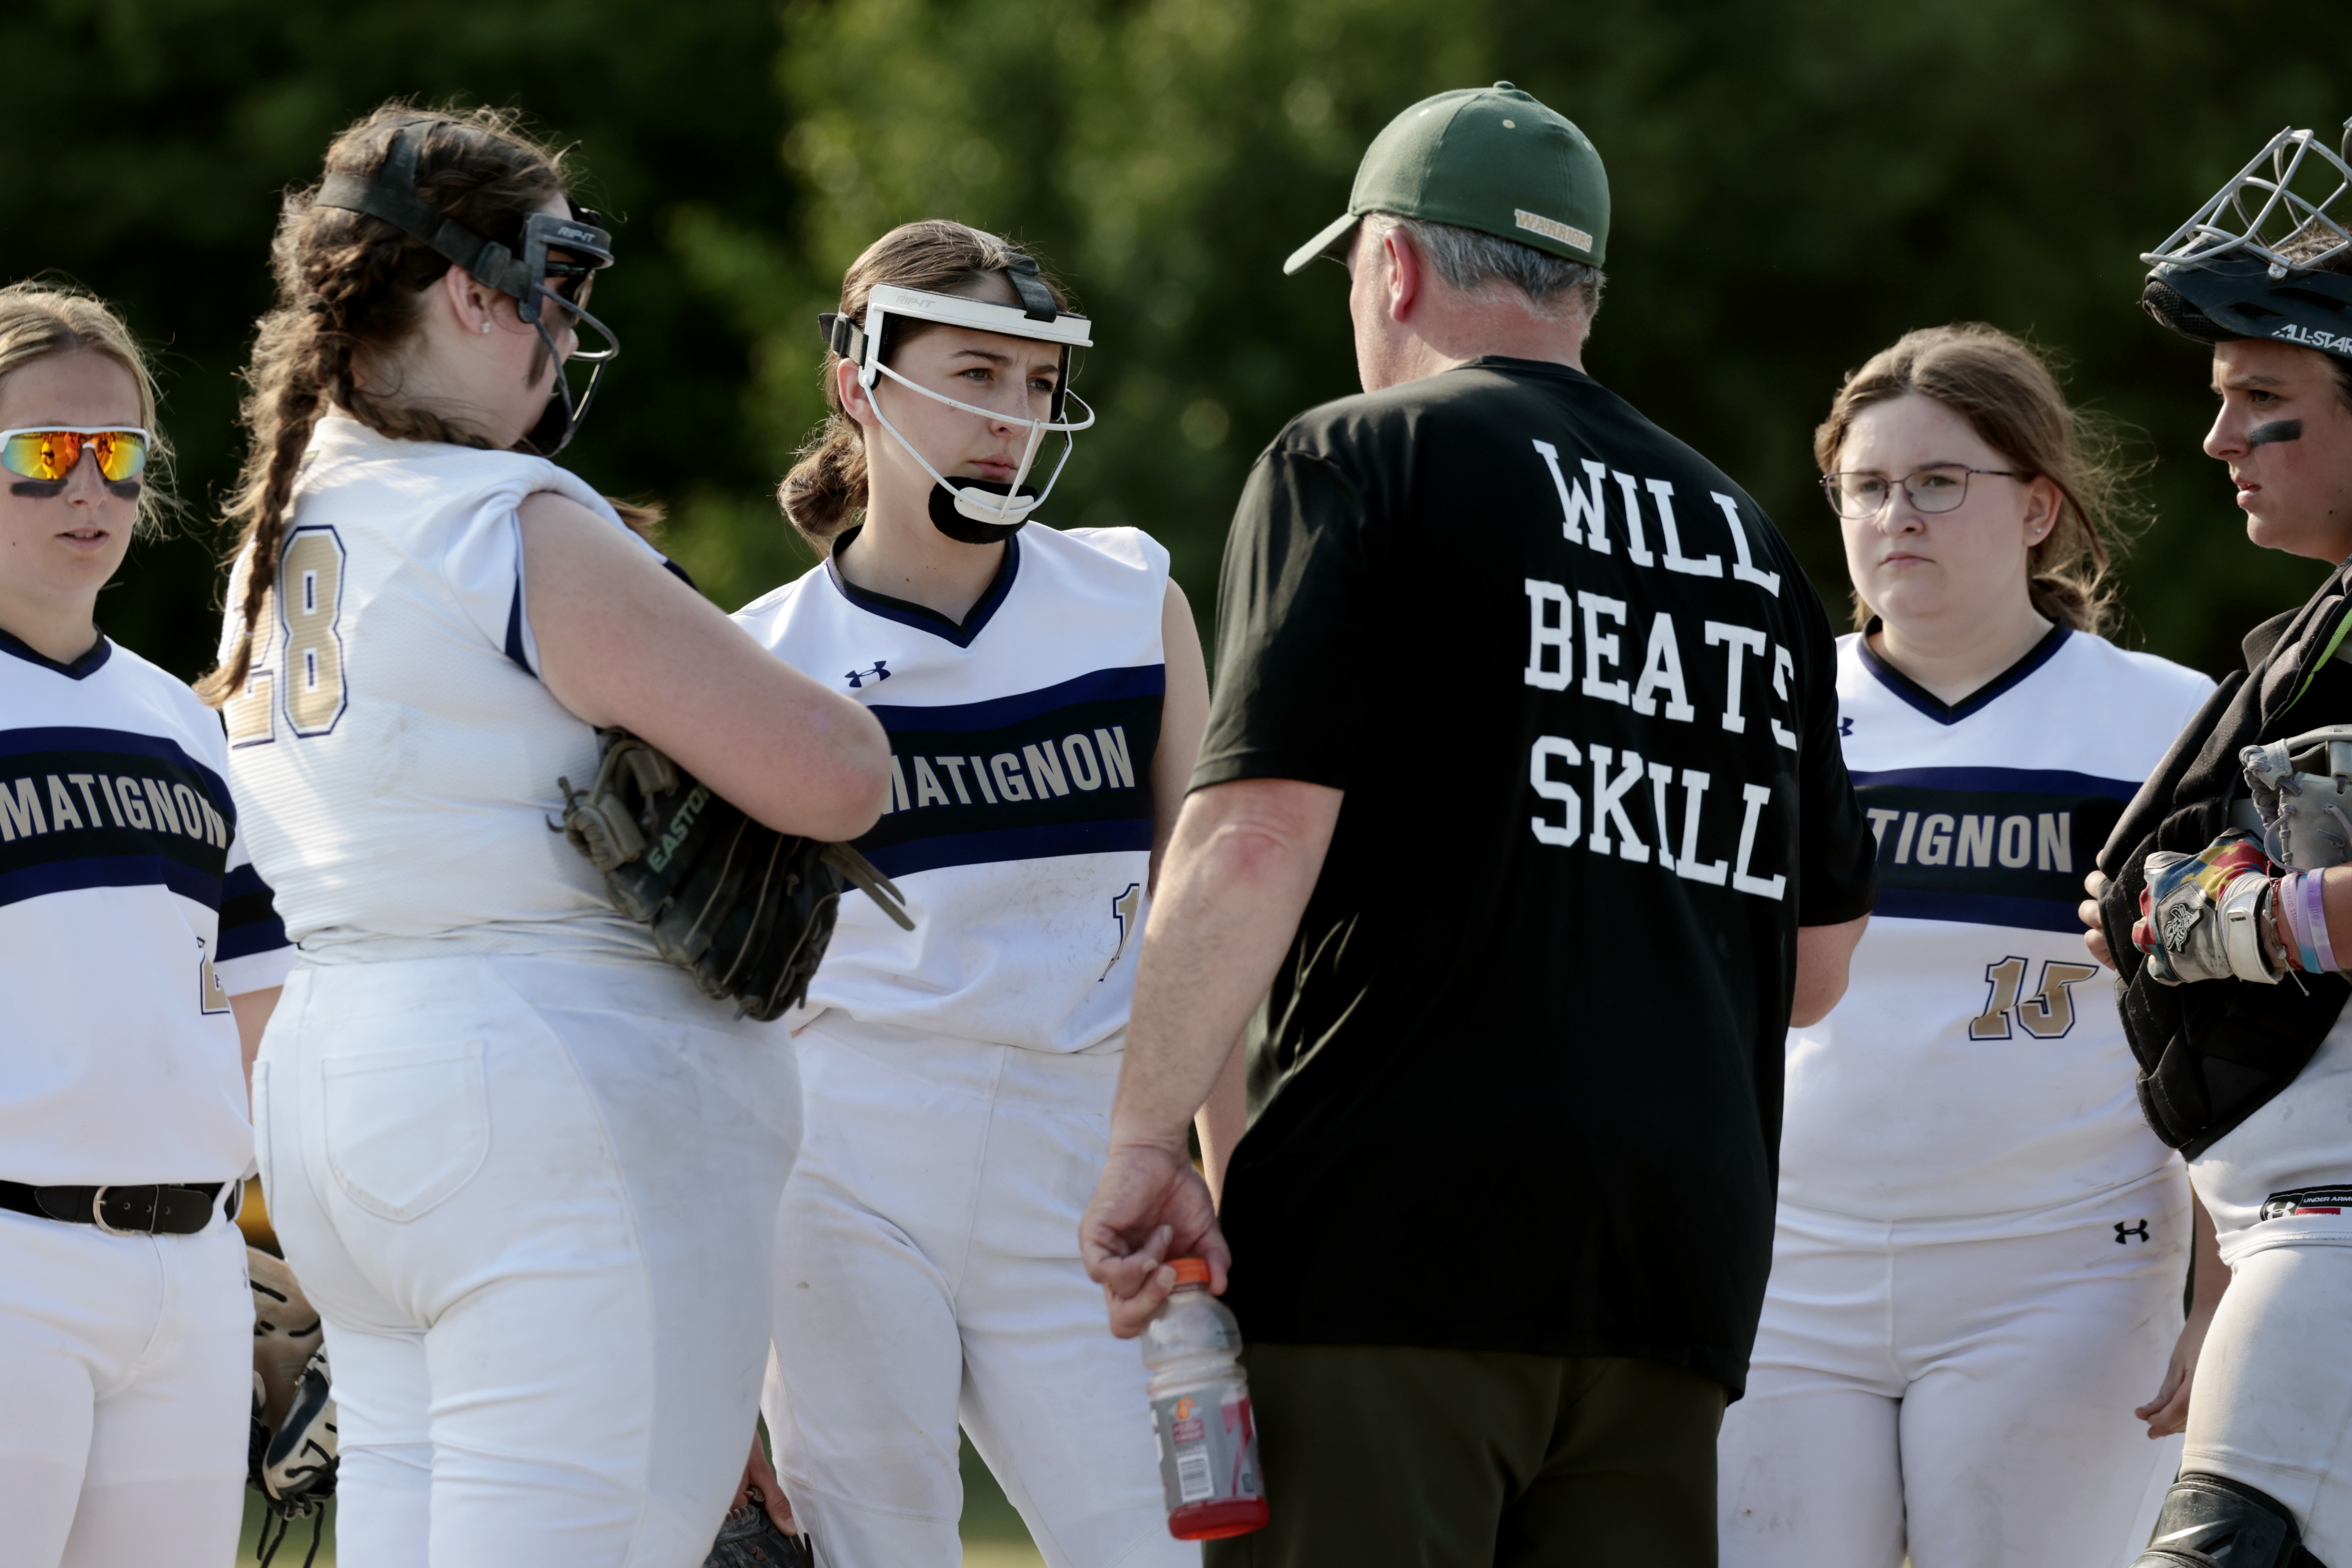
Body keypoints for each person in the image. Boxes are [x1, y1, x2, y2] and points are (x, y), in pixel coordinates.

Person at [1076, 83, 1880, 1567]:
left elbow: (1253, 834)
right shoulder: (1750, 546)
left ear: (1390, 267)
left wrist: (1144, 1135)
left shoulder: (1360, 457)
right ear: (1581, 287)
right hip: (1671, 1269)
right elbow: (1815, 962)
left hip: (1398, 1240)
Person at [202, 105, 890, 1568]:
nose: (567, 336)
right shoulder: (500, 510)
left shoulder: (285, 527)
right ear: (468, 285)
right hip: (548, 1087)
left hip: (351, 1087)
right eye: (554, 292)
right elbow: (837, 773)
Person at [732, 219, 1210, 1568]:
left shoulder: (1129, 592)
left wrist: (1233, 1180)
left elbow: (1207, 916)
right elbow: (709, 1017)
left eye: (1035, 385)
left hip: (1090, 1148)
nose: (1011, 418)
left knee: (1168, 1547)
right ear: (859, 379)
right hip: (840, 1158)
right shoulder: (758, 659)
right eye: (974, 374)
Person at [1713, 323, 2218, 1568]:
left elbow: (2239, 1032)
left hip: (2057, 1276)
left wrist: (2220, 1295)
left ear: (2038, 504)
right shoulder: (1753, 710)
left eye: (1940, 482)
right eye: (1866, 487)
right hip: (1783, 1270)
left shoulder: (2163, 721)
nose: (1898, 515)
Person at [2084, 116, 2352, 1568]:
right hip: (2293, 1231)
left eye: (2264, 395)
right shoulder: (2317, 623)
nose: (2217, 437)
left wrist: (2224, 918)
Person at [0, 282, 297, 1565]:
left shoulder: (183, 722)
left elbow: (259, 999)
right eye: (44, 454)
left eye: (117, 455)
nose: (90, 490)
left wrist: (310, 1244)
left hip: (192, 1278)